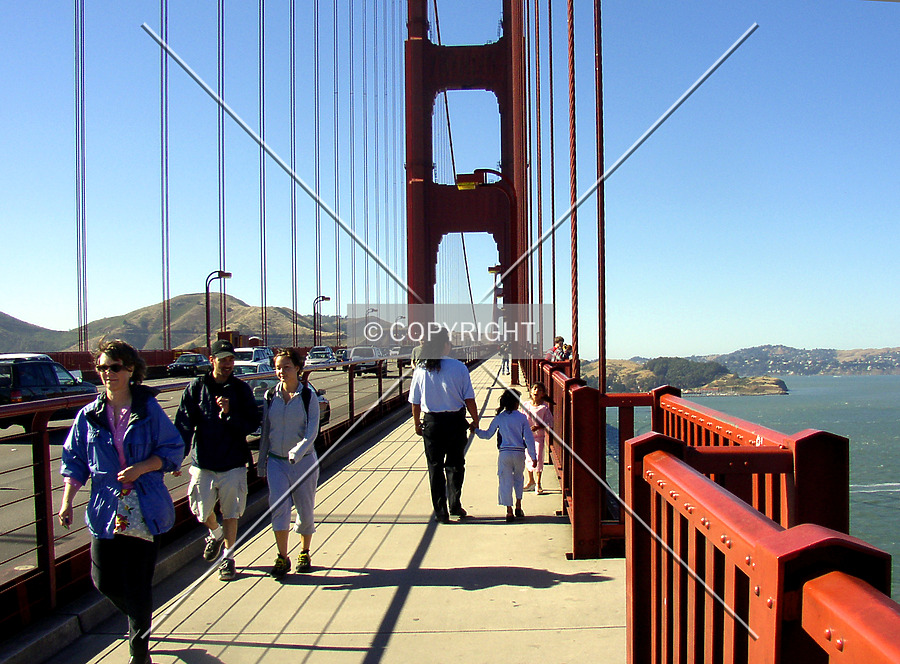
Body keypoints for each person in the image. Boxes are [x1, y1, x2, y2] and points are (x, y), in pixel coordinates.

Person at [59, 339, 184, 664]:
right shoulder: (89, 416)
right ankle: (140, 620)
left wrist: (142, 467)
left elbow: (173, 449)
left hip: (144, 508)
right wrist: (67, 500)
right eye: (102, 368)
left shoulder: (148, 410)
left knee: (138, 584)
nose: (107, 373)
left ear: (130, 369)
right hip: (105, 511)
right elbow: (74, 459)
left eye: (114, 367)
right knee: (104, 581)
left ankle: (138, 653)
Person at [175, 339, 260, 581]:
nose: (227, 364)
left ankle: (228, 558)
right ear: (211, 360)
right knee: (201, 512)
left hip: (233, 462)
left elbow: (252, 423)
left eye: (231, 360)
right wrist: (176, 457)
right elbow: (183, 423)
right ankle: (215, 532)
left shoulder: (241, 389)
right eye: (222, 359)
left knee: (231, 512)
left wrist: (229, 414)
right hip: (203, 462)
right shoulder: (196, 388)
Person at [257, 348, 321, 578]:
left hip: (303, 462)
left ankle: (305, 551)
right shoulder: (269, 396)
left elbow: (312, 430)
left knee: (305, 508)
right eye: (278, 367)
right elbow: (267, 431)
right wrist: (261, 461)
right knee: (279, 508)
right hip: (277, 461)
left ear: (297, 368)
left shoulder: (307, 396)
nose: (281, 371)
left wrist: (298, 451)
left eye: (286, 367)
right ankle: (282, 557)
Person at [409, 327, 480, 523]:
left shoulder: (421, 369)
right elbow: (469, 399)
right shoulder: (459, 367)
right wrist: (475, 419)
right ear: (446, 345)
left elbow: (415, 402)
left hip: (431, 423)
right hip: (456, 422)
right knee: (456, 465)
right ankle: (455, 505)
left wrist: (417, 423)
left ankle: (441, 511)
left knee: (434, 467)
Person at [473, 388, 537, 522]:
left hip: (505, 453)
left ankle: (509, 511)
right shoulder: (522, 418)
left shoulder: (500, 418)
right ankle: (518, 506)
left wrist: (476, 430)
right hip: (519, 453)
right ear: (516, 403)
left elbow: (487, 434)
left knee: (505, 481)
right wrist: (533, 456)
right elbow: (529, 439)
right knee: (519, 479)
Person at [522, 382, 554, 494]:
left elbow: (550, 422)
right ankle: (531, 481)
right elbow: (521, 419)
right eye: (534, 389)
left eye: (539, 390)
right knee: (528, 458)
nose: (536, 391)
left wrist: (539, 426)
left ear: (543, 394)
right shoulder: (526, 405)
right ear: (531, 391)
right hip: (527, 437)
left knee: (539, 458)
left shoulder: (544, 407)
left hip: (539, 437)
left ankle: (539, 483)